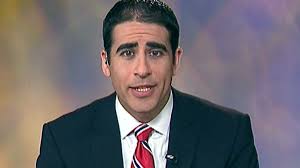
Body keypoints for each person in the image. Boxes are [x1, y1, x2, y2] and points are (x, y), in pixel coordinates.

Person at [36, 0, 259, 167]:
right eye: (127, 53)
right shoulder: (63, 141)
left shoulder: (229, 134)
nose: (142, 70)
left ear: (175, 60)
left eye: (155, 52)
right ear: (106, 62)